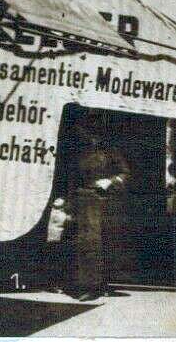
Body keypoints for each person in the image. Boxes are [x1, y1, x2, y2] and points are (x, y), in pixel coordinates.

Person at [68, 123, 129, 300]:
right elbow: (72, 178)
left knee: (103, 243)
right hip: (83, 201)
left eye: (93, 133)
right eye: (87, 133)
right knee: (84, 243)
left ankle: (99, 284)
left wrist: (109, 182)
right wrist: (68, 200)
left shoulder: (110, 152)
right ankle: (87, 285)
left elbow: (125, 174)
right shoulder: (80, 153)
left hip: (104, 202)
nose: (90, 137)